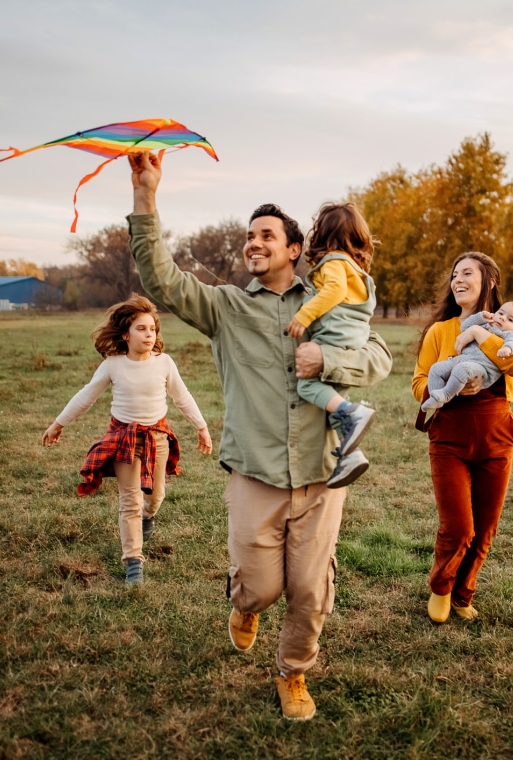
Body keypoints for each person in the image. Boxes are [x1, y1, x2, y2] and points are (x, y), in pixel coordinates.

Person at [125, 151, 392, 721]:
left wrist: (329, 357)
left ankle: (293, 672)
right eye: (249, 236)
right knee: (262, 587)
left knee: (311, 591)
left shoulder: (326, 299)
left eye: (267, 235)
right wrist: (146, 198)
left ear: (294, 249)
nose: (254, 243)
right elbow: (162, 281)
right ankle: (244, 602)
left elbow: (379, 357)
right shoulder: (225, 308)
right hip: (256, 472)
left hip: (324, 473)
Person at [40, 295, 213, 586]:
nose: (149, 334)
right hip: (124, 439)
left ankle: (149, 517)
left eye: (153, 329)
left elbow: (182, 397)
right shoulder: (113, 365)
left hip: (158, 438)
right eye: (141, 329)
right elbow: (86, 396)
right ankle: (133, 561)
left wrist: (202, 427)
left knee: (155, 497)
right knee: (130, 501)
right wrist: (58, 423)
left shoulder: (164, 363)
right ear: (125, 334)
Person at [412, 253, 513, 624]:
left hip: (497, 436)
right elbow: (419, 383)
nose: (458, 280)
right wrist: (454, 389)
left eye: (468, 273)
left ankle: (464, 593)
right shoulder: (440, 332)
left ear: (489, 282)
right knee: (459, 527)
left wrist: (480, 333)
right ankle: (442, 587)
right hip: (450, 437)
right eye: (454, 275)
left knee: (484, 528)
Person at [286, 201, 378, 488]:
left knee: (308, 386)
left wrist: (305, 314)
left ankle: (354, 412)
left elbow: (334, 291)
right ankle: (350, 455)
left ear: (322, 235)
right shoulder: (357, 271)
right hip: (353, 338)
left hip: (335, 337)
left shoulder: (335, 262)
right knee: (331, 401)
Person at [421, 301, 513, 413]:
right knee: (436, 369)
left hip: (482, 368)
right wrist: (480, 317)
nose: (502, 318)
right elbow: (464, 327)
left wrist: (507, 348)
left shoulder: (512, 334)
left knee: (462, 369)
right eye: (500, 313)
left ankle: (446, 394)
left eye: (510, 319)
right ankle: (436, 398)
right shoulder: (486, 324)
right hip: (463, 359)